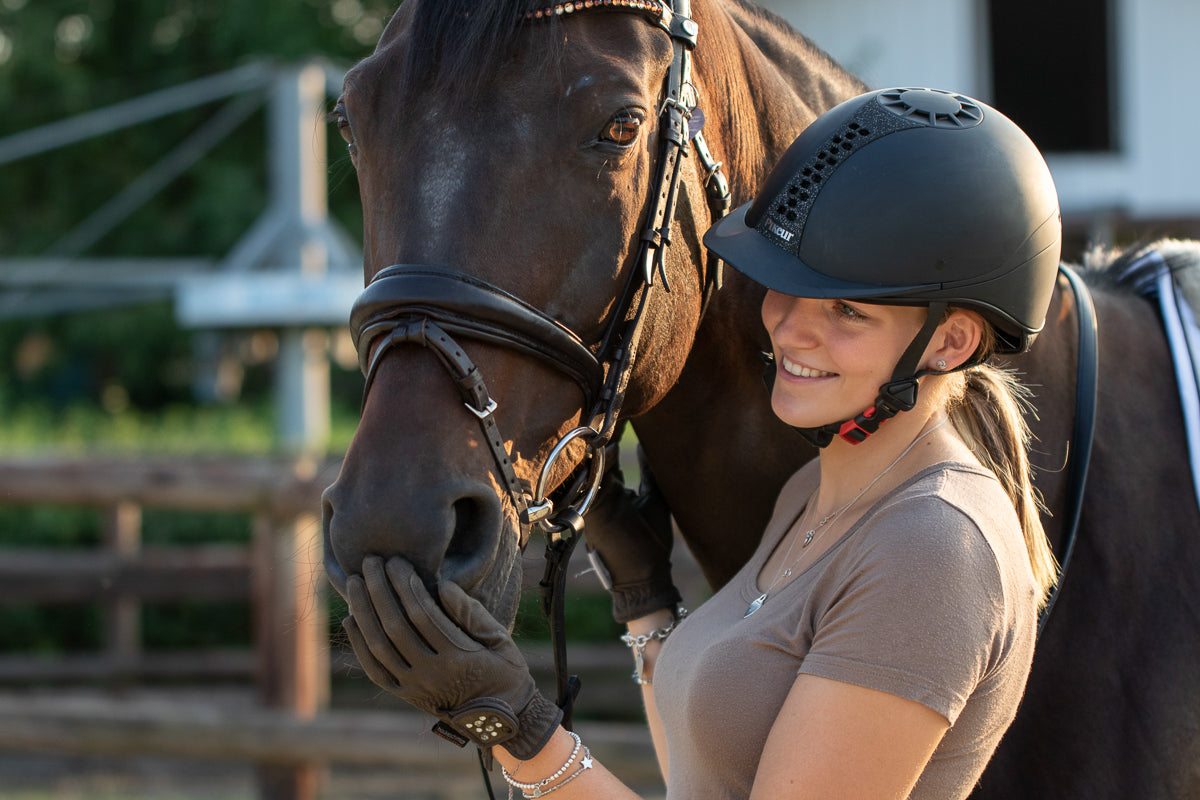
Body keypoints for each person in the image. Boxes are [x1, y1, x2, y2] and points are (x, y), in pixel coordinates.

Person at [341, 86, 1062, 800]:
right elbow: (703, 778)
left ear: (949, 341)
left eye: (846, 311)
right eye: (785, 287)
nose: (790, 329)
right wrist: (643, 597)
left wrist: (521, 733)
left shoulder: (932, 548)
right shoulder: (817, 492)